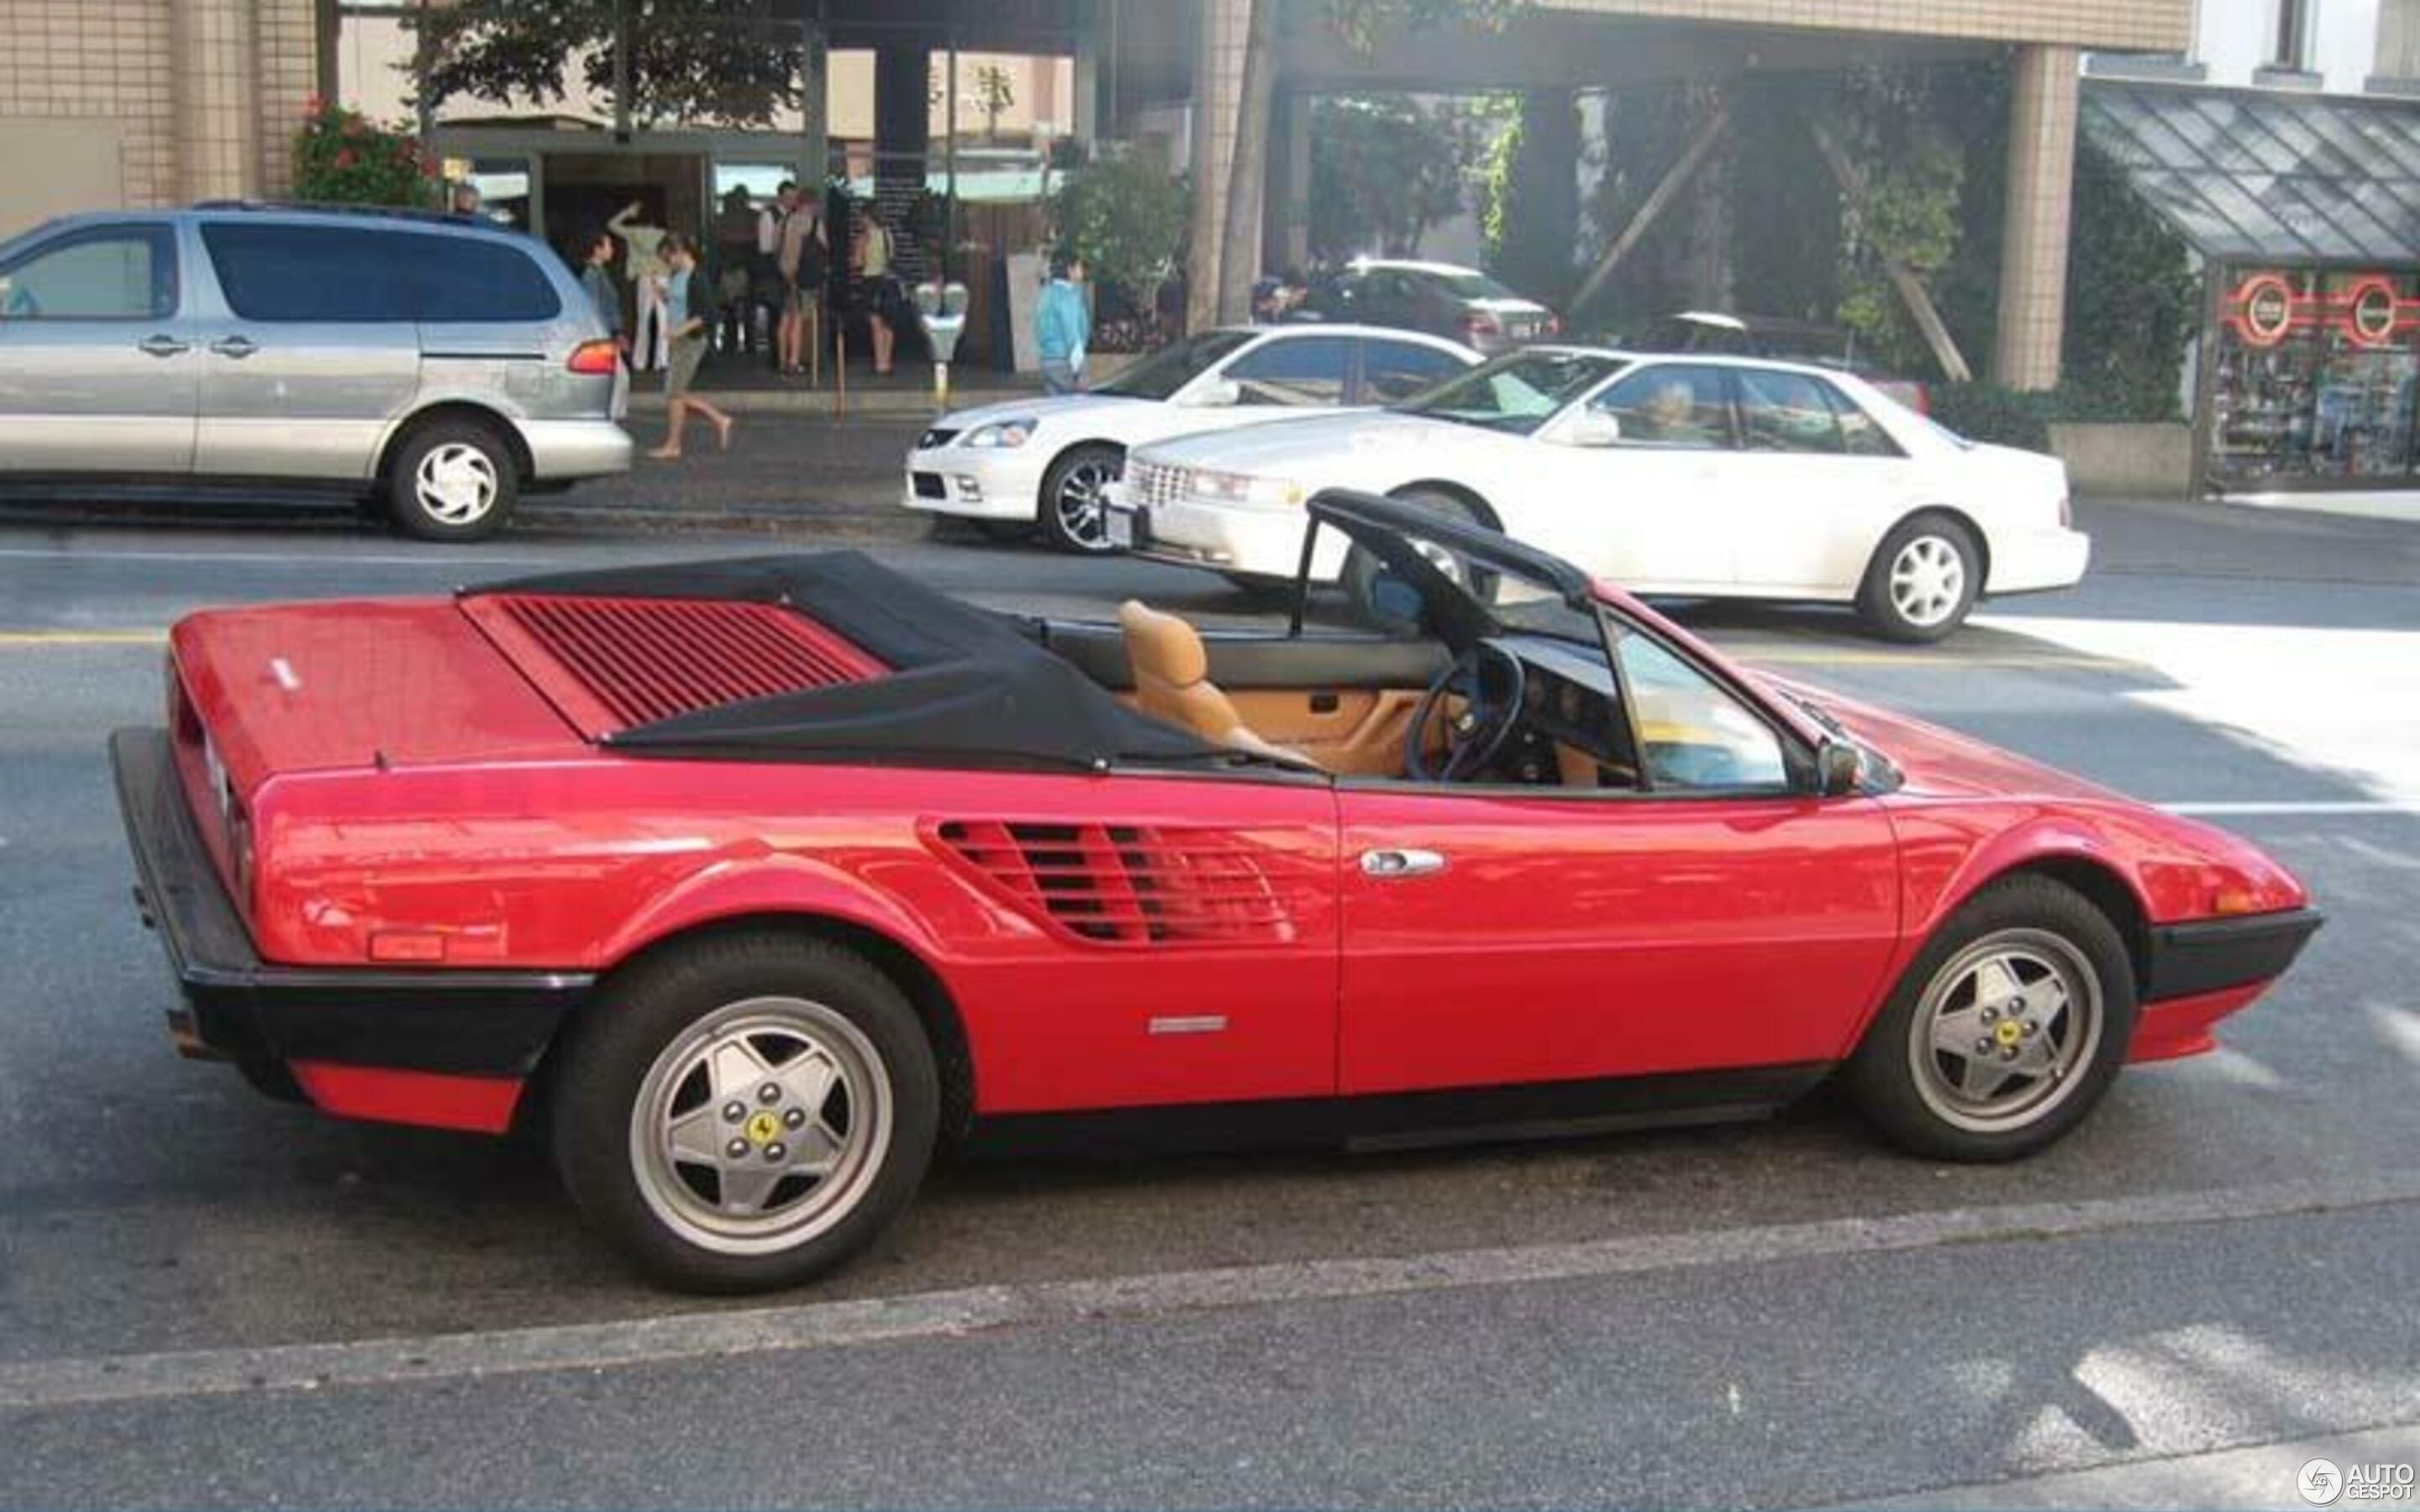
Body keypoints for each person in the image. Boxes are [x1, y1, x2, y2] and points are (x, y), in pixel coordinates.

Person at [648, 234, 735, 460]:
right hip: (680, 340)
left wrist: (680, 330)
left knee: (675, 394)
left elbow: (707, 314)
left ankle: (674, 445)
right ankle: (718, 419)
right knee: (676, 393)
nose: (667, 262)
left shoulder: (698, 278)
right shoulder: (679, 275)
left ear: (679, 252)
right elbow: (678, 303)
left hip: (691, 341)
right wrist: (662, 294)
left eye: (668, 257)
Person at [608, 201, 671, 372]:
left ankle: (639, 362)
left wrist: (627, 212)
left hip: (644, 278)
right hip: (663, 277)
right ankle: (662, 362)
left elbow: (612, 225)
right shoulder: (666, 235)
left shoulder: (635, 233)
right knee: (664, 321)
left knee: (643, 320)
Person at [773, 182, 827, 377]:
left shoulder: (783, 222)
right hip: (806, 277)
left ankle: (782, 359)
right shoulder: (814, 223)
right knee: (799, 318)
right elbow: (824, 248)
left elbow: (774, 247)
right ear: (812, 204)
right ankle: (794, 361)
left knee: (785, 318)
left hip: (785, 275)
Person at [1035, 254, 1092, 395]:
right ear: (1070, 270)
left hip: (1047, 359)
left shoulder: (1047, 293)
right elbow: (1072, 333)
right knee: (1075, 409)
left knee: (1056, 409)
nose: (1082, 270)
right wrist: (1079, 371)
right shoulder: (1067, 295)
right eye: (1079, 267)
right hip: (1065, 361)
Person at [852, 211, 897, 375]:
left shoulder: (864, 237)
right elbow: (892, 257)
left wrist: (861, 259)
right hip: (888, 281)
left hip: (870, 281)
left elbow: (857, 262)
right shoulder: (888, 234)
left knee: (875, 323)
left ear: (867, 218)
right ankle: (888, 360)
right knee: (888, 324)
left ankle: (880, 363)